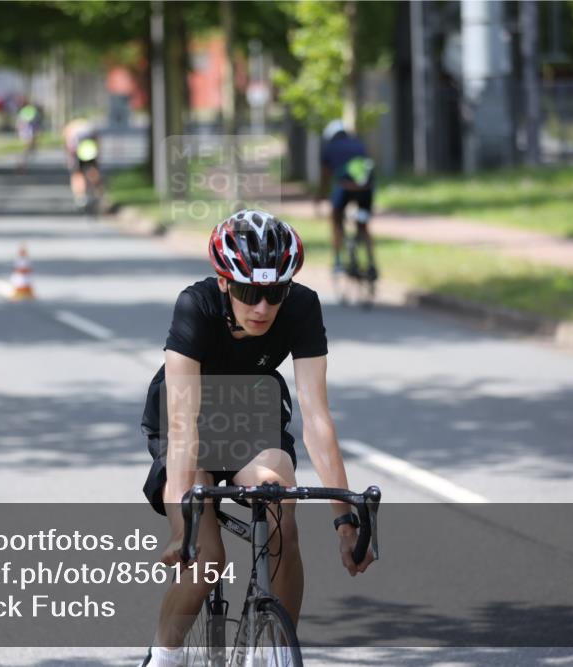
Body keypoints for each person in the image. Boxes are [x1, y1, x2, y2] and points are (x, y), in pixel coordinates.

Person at [139, 209, 374, 667]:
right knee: (206, 558)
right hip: (190, 423)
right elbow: (183, 426)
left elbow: (317, 419)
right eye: (249, 293)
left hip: (252, 418)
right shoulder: (196, 305)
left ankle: (275, 651)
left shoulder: (303, 307)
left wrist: (344, 521)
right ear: (225, 282)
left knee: (282, 505)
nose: (263, 307)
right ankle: (162, 656)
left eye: (274, 293)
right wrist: (179, 527)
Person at [317, 119, 377, 280]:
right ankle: (372, 264)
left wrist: (320, 197)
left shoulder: (329, 148)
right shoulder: (358, 144)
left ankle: (337, 262)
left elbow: (325, 177)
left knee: (336, 220)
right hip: (367, 189)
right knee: (364, 225)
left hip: (345, 188)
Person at [62, 118, 103, 208]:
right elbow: (97, 139)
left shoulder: (69, 128)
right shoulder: (89, 126)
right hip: (90, 149)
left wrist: (70, 158)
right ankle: (98, 191)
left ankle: (80, 196)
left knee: (77, 173)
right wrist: (99, 153)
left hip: (78, 150)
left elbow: (69, 144)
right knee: (92, 171)